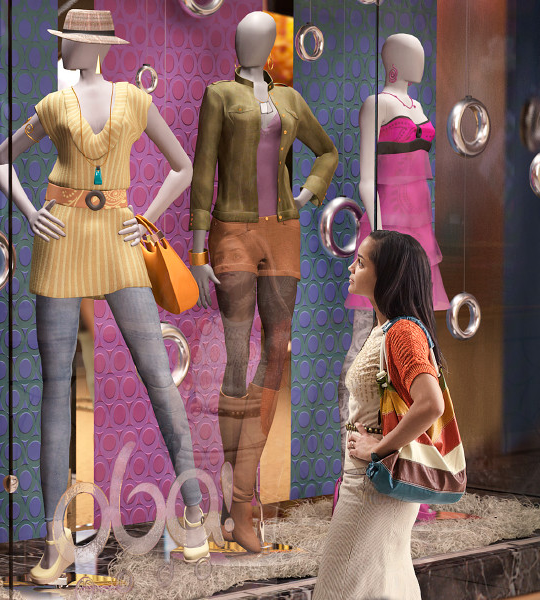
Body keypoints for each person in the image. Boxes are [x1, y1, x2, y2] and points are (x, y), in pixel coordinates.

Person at [0, 9, 208, 584]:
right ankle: (56, 542)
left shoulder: (135, 100)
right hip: (61, 242)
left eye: (68, 42)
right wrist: (34, 214)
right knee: (54, 389)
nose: (61, 52)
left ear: (92, 47)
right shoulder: (53, 105)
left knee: (159, 376)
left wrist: (147, 219)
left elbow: (182, 167)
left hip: (116, 240)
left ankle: (195, 511)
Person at [188, 11, 338, 553]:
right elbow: (204, 171)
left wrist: (310, 191)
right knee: (234, 354)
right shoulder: (219, 95)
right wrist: (197, 247)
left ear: (270, 43)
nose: (249, 41)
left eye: (260, 34)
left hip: (283, 233)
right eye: (243, 34)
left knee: (277, 349)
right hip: (232, 231)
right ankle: (238, 503)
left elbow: (328, 149)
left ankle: (241, 496)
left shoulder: (292, 100)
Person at [314, 230, 446, 600]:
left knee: (340, 587)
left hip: (374, 483)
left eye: (362, 262)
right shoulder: (384, 329)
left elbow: (431, 403)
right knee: (383, 581)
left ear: (387, 274)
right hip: (370, 479)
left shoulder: (402, 331)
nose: (352, 267)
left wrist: (379, 448)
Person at [339, 33, 449, 472]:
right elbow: (367, 178)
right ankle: (353, 454)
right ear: (394, 62)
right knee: (366, 340)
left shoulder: (418, 109)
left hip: (420, 232)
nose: (420, 59)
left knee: (416, 345)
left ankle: (414, 463)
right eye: (412, 55)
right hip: (388, 230)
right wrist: (380, 239)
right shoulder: (377, 104)